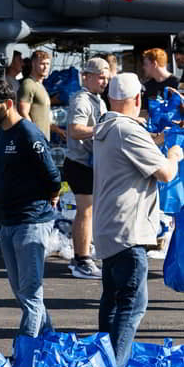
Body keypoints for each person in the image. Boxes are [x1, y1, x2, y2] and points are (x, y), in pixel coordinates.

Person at [92, 72, 184, 367]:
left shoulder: (105, 128)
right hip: (129, 230)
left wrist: (153, 140)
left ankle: (103, 365)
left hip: (109, 229)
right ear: (138, 99)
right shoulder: (127, 131)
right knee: (132, 305)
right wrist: (173, 154)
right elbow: (165, 173)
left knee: (113, 304)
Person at [0, 79, 62, 339]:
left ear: (7, 103)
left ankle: (24, 357)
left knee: (30, 295)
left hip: (31, 222)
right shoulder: (3, 134)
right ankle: (50, 341)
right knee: (23, 293)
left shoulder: (28, 133)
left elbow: (52, 176)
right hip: (9, 223)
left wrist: (51, 196)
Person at [63, 57, 110, 279]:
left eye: (107, 77)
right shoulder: (82, 100)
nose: (105, 81)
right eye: (101, 76)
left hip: (88, 162)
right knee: (86, 211)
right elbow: (75, 130)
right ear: (87, 77)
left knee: (89, 211)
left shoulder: (97, 100)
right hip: (80, 163)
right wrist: (103, 129)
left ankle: (81, 254)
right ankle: (82, 260)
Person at [16, 49, 53, 139]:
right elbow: (22, 112)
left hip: (43, 139)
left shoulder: (40, 86)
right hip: (33, 139)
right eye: (42, 64)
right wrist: (34, 134)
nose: (45, 67)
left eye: (47, 64)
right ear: (33, 64)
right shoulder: (28, 84)